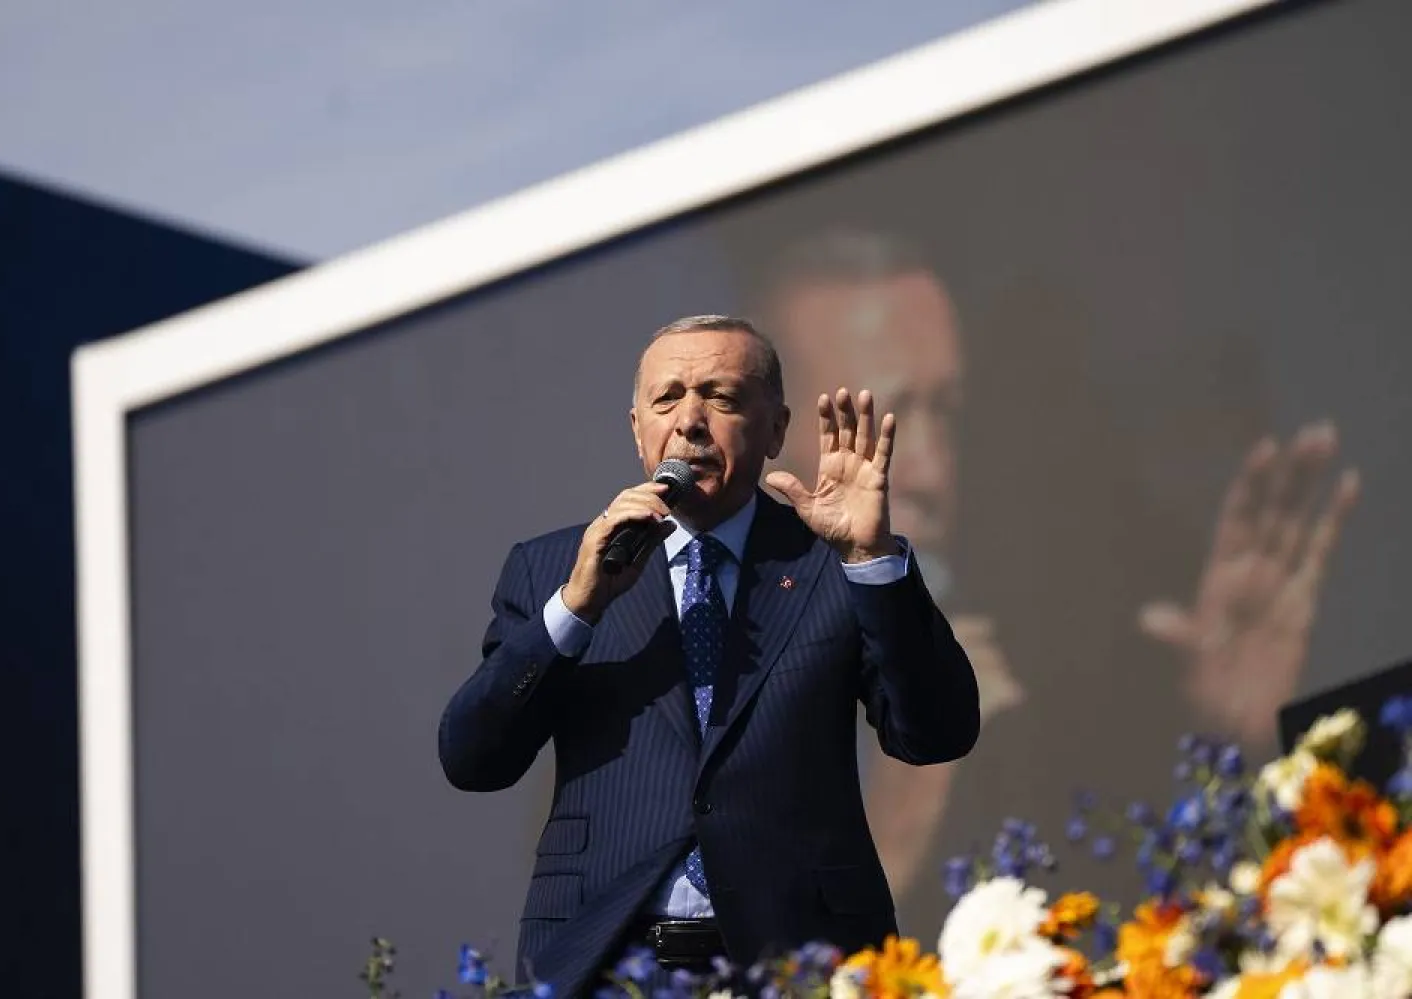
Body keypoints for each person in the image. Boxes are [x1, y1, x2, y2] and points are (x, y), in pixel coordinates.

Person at [755, 230, 1360, 934]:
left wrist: (1230, 741)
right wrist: (887, 846)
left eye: (943, 413)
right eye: (869, 429)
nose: (927, 471)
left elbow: (1150, 937)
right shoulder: (675, 723)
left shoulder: (1027, 696)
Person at [438, 315, 980, 998]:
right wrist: (576, 606)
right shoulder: (554, 567)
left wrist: (871, 560)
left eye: (721, 397)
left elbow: (936, 733)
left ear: (777, 429)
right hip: (603, 962)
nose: (690, 421)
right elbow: (472, 758)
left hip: (802, 959)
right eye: (667, 399)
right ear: (638, 428)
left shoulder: (830, 561)